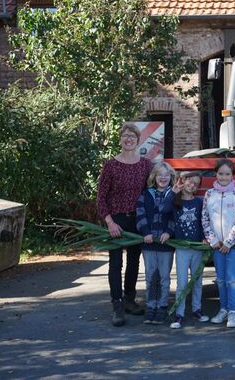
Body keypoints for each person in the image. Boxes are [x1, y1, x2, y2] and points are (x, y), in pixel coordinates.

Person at [96, 122, 152, 326]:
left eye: (132, 136)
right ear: (120, 140)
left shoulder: (146, 165)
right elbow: (101, 197)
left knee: (134, 262)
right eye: (125, 136)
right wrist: (109, 222)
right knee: (116, 263)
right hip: (117, 219)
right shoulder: (111, 165)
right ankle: (117, 304)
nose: (128, 139)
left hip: (137, 219)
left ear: (138, 140)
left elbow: (155, 188)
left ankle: (130, 299)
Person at [202, 159, 235, 328]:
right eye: (220, 173)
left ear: (232, 175)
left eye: (227, 173)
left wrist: (228, 241)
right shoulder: (209, 194)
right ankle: (223, 309)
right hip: (216, 245)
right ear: (216, 174)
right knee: (220, 280)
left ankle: (233, 312)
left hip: (232, 245)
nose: (223, 177)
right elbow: (205, 218)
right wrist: (212, 239)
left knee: (232, 280)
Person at [166, 171, 210, 329]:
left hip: (197, 247)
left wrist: (206, 237)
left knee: (197, 281)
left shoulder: (199, 202)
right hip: (182, 248)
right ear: (182, 181)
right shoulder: (175, 201)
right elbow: (163, 210)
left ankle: (197, 309)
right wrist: (173, 193)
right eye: (190, 181)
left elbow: (204, 221)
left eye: (196, 184)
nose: (193, 185)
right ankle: (180, 313)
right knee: (182, 282)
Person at [135, 161, 176, 325]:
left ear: (171, 177)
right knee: (151, 276)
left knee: (164, 277)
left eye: (166, 175)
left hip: (166, 244)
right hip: (149, 242)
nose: (163, 178)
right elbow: (140, 213)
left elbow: (175, 216)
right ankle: (151, 306)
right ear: (154, 177)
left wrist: (169, 232)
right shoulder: (146, 194)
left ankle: (162, 307)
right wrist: (146, 232)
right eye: (160, 175)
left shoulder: (173, 194)